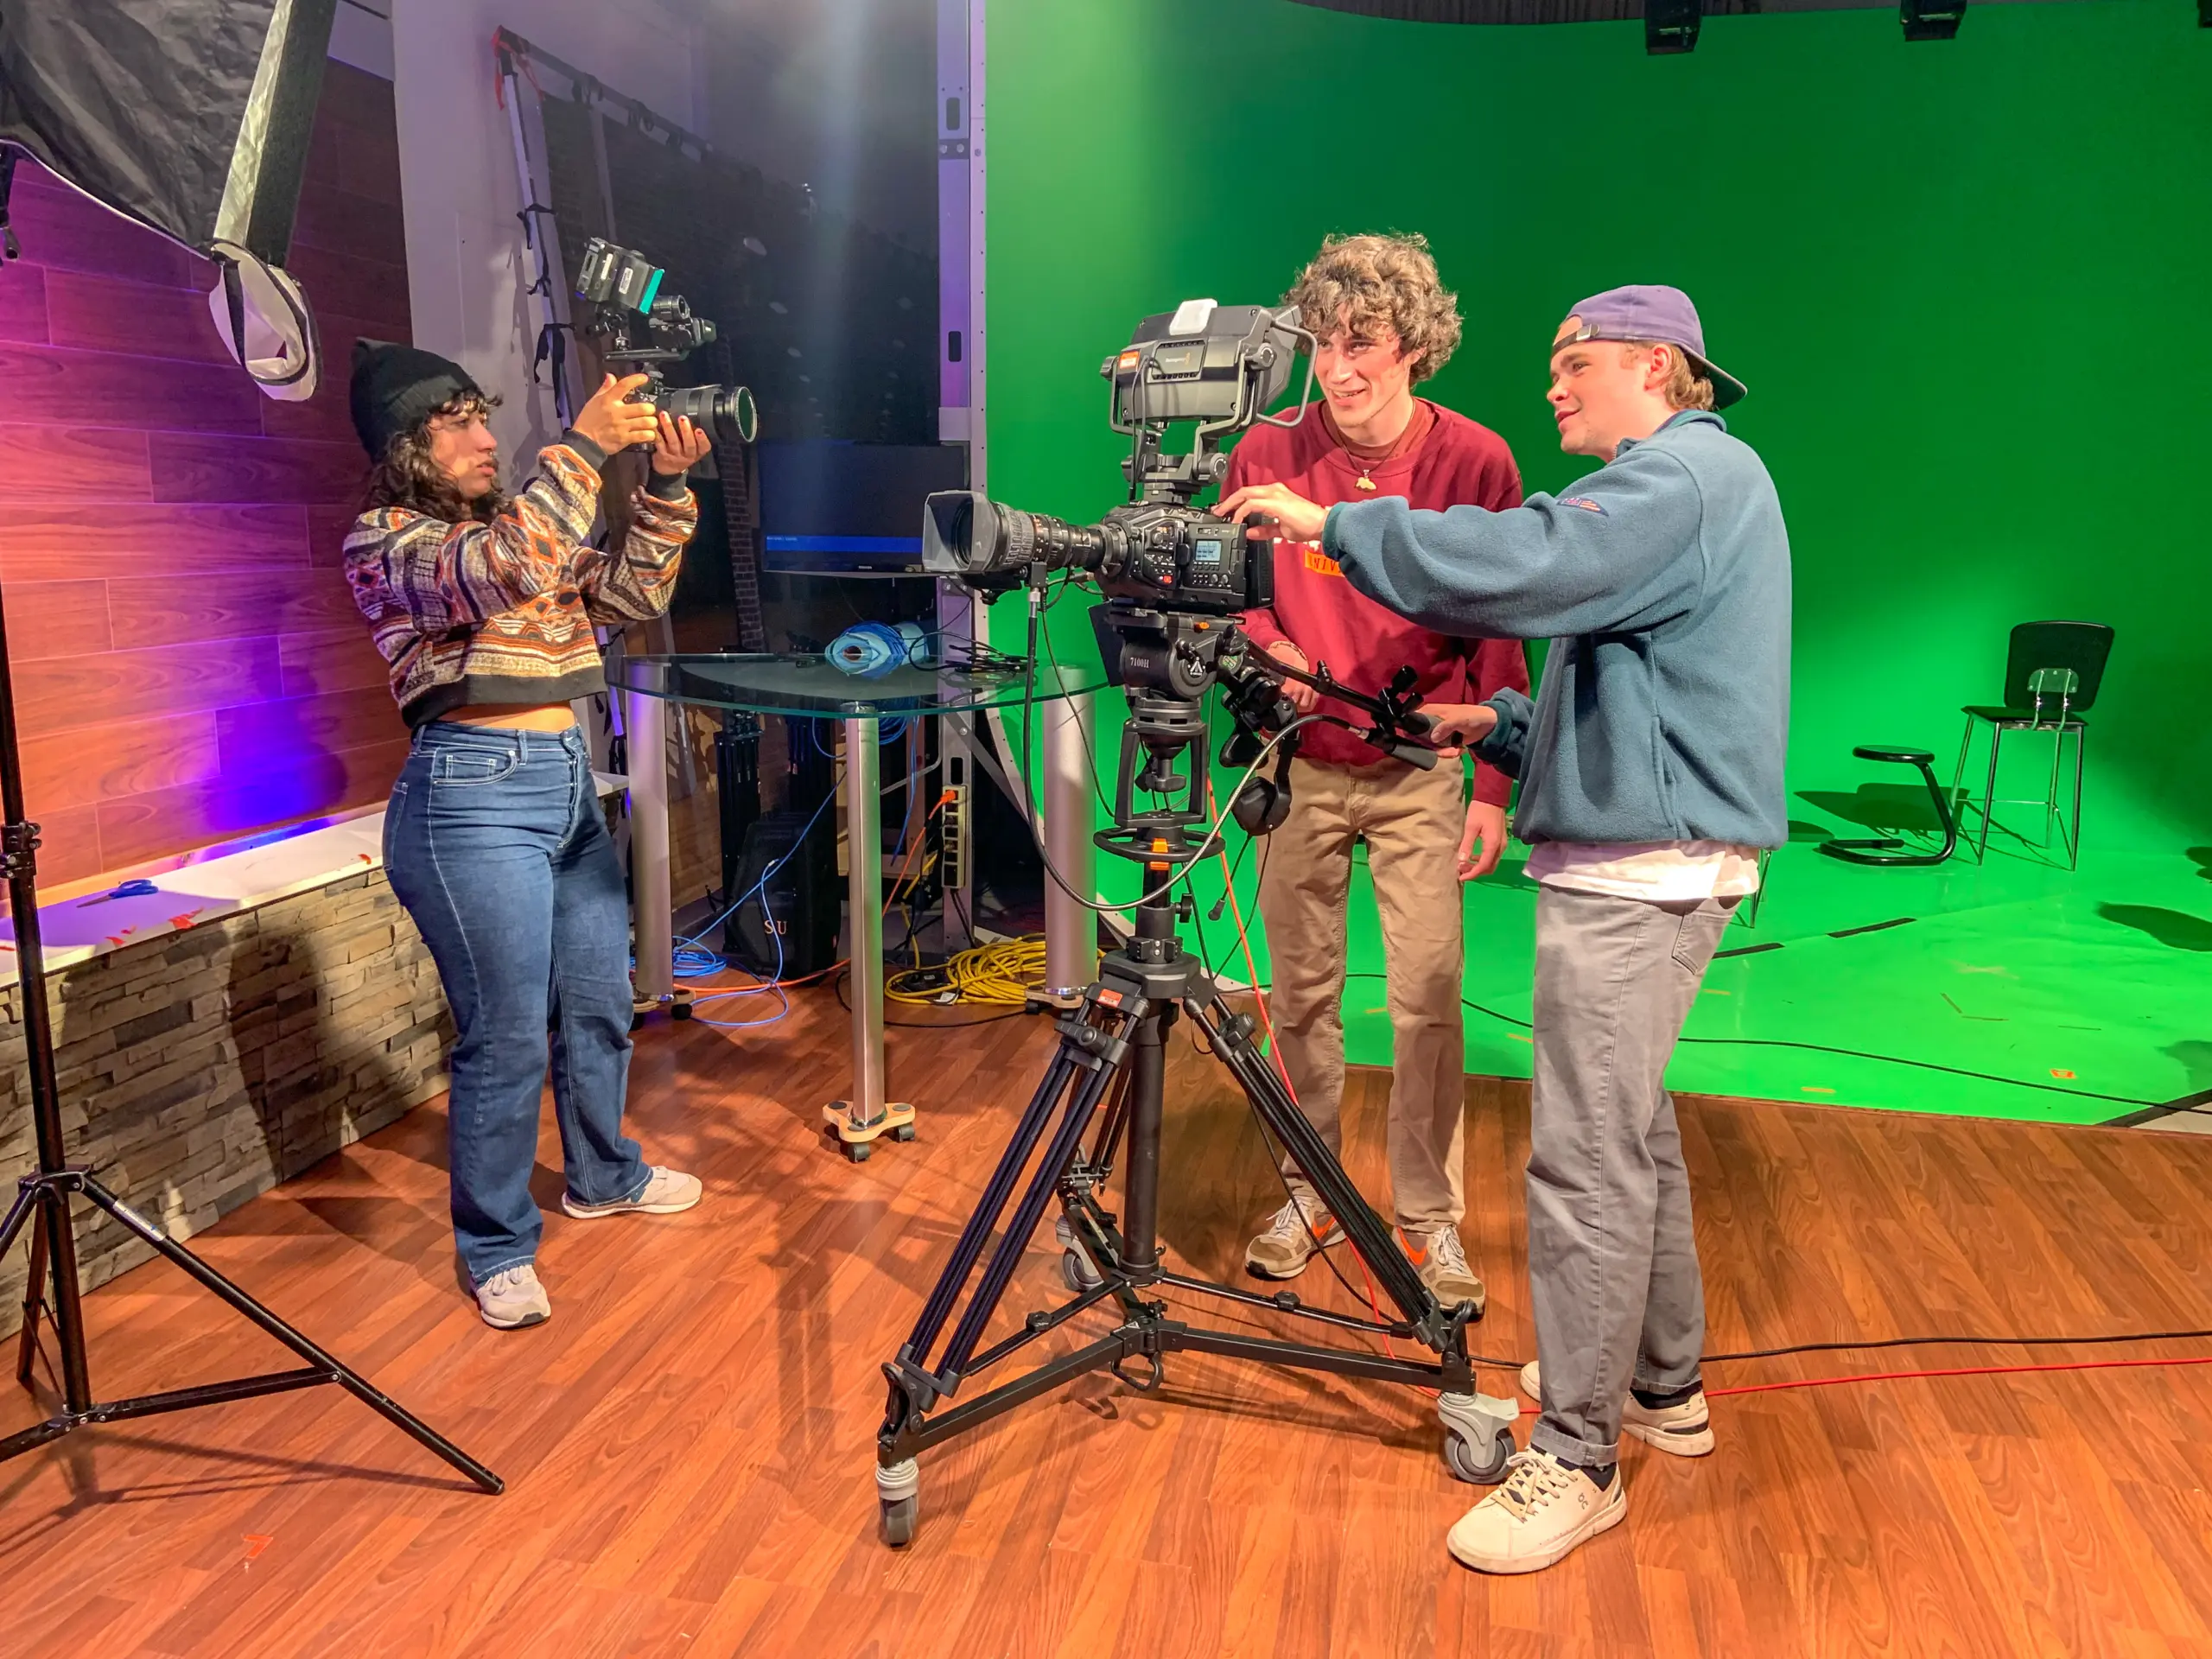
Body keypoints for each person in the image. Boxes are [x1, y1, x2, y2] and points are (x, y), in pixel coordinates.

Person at [1220, 286, 1789, 1574]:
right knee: (1632, 1134)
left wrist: (1331, 525)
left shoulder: (1680, 479)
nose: (1555, 387)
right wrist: (1507, 730)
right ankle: (1662, 1386)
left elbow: (1534, 561)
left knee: (1584, 1164)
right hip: (1636, 853)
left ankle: (1578, 1459)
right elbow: (1633, 675)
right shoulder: (1690, 484)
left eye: (1574, 363)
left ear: (1656, 366)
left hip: (1641, 876)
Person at [344, 340, 715, 1331]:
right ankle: (497, 1245)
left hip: (563, 788)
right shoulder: (388, 543)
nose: (480, 436)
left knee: (599, 1004)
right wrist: (582, 450)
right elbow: (506, 566)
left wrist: (667, 487)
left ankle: (603, 1174)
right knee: (505, 1037)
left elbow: (630, 596)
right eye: (453, 421)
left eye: (481, 415)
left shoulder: (518, 531)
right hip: (467, 800)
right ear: (402, 445)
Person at [1220, 233, 1528, 1315]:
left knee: (1426, 1002)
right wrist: (1274, 654)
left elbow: (1499, 623)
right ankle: (1306, 1191)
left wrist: (1491, 786)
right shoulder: (1263, 447)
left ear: (1415, 349)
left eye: (1364, 345)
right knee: (1298, 999)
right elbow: (1239, 595)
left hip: (1418, 771)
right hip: (1298, 764)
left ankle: (1427, 1221)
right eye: (1321, 345)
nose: (1339, 369)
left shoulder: (1476, 462)